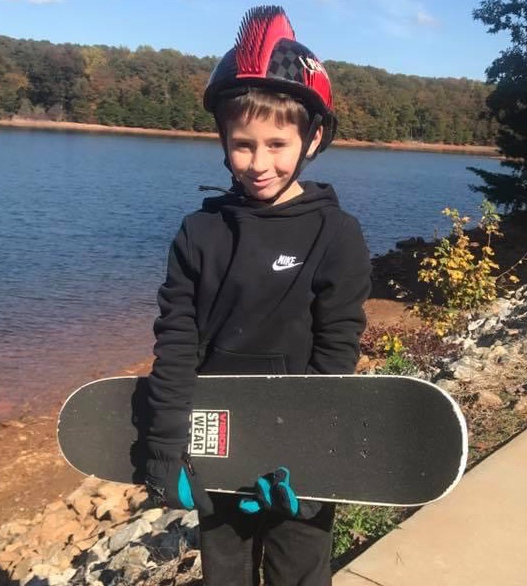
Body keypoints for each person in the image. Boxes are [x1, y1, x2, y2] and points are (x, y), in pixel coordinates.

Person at [142, 5, 372, 585]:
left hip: (299, 454)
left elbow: (336, 352)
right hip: (217, 441)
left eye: (277, 144)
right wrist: (167, 447)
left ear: (312, 138)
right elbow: (176, 344)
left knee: (300, 572)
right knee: (224, 574)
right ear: (223, 141)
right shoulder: (199, 233)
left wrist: (306, 450)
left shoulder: (335, 234)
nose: (259, 163)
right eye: (243, 144)